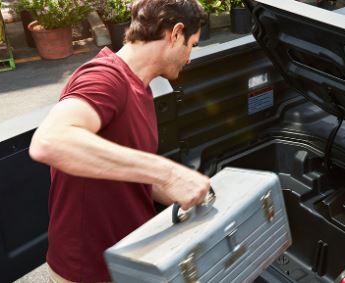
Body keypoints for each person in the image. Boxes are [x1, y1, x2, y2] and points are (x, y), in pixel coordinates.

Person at [28, 0, 210, 281]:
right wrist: (168, 172)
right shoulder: (105, 77)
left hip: (129, 259)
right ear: (175, 33)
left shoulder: (142, 87)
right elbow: (50, 141)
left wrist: (181, 189)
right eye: (193, 45)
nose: (190, 57)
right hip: (89, 271)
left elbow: (126, 170)